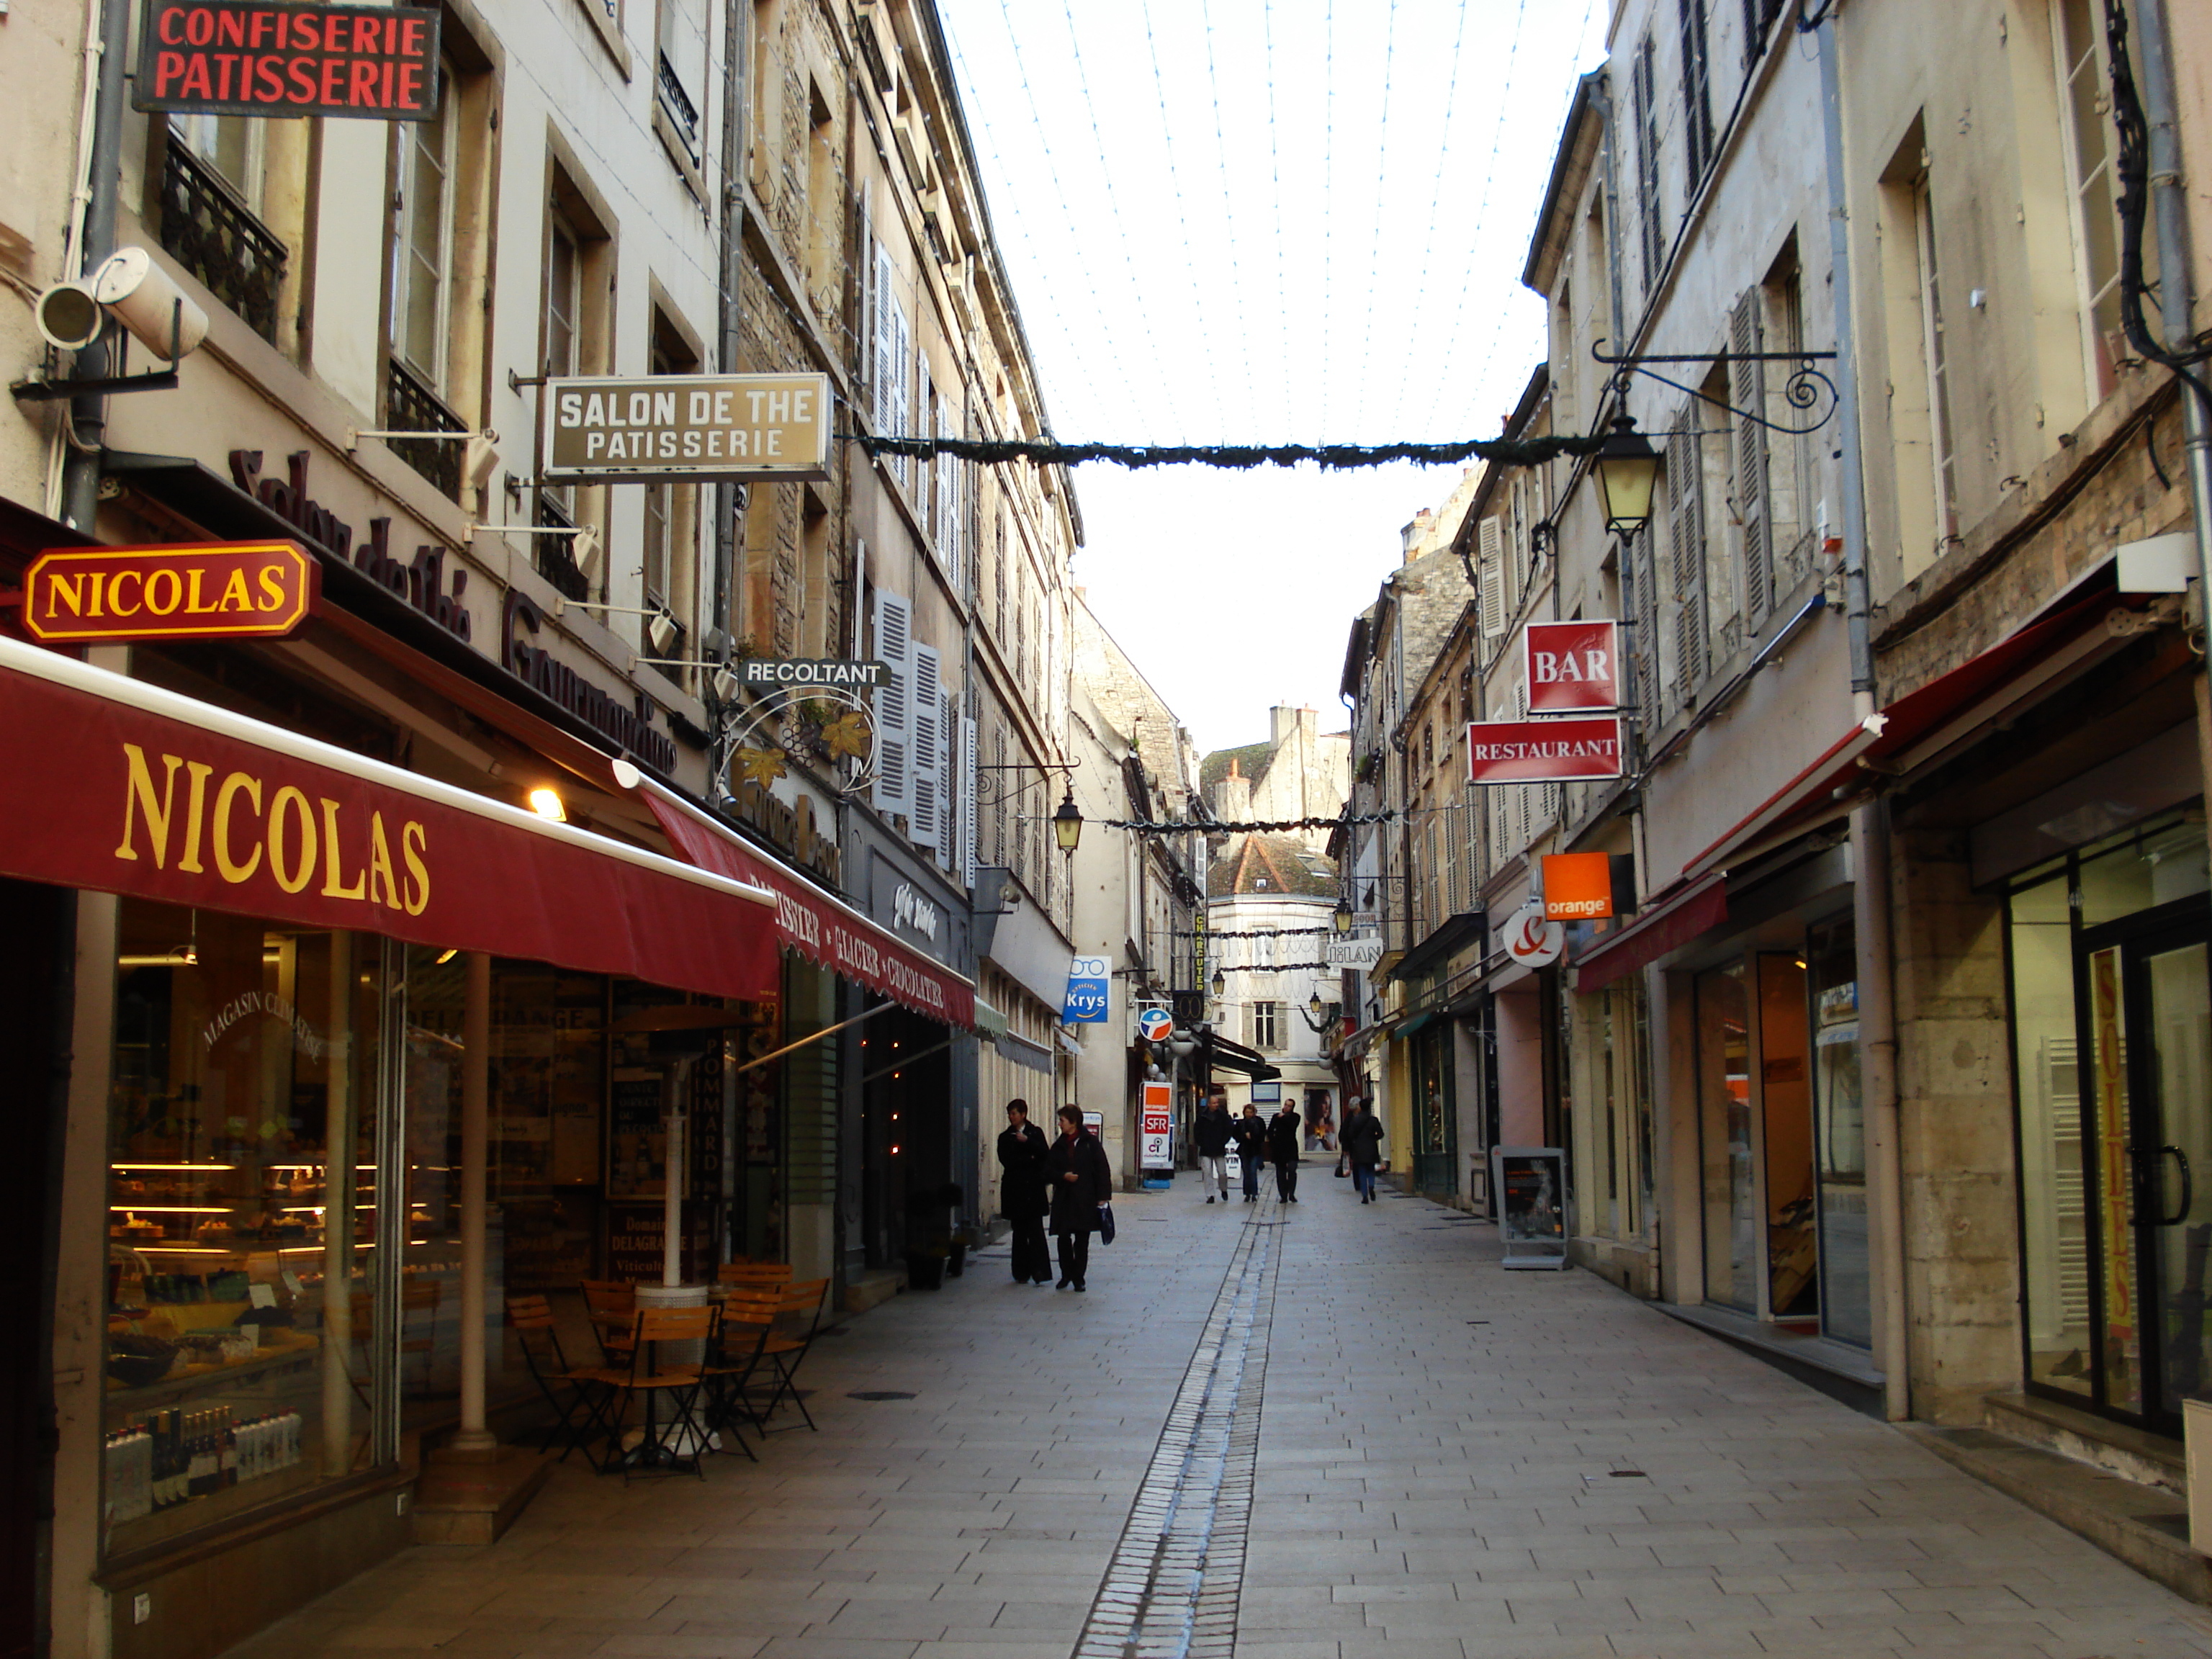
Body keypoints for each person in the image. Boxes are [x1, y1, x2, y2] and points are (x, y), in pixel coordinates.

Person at [1047, 1104, 1113, 1291]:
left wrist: (1102, 1197)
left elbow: (1102, 1169)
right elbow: (1048, 1170)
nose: (1060, 1124)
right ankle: (1066, 1273)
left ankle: (1079, 1277)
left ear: (1073, 1123)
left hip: (1085, 1199)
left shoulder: (1089, 1143)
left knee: (1082, 1240)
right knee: (1063, 1238)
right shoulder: (1059, 1145)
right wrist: (1062, 1176)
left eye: (1062, 1121)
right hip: (1064, 1199)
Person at [996, 1100, 1053, 1283]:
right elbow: (1008, 1160)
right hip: (1015, 1190)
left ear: (1023, 1114)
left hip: (1033, 1190)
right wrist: (1030, 1158)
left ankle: (1040, 1271)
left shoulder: (1035, 1133)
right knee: (1019, 1232)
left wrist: (1028, 1144)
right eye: (1010, 1114)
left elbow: (1044, 1155)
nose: (1011, 1117)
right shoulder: (1005, 1137)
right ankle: (1021, 1272)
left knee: (1036, 1231)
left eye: (1014, 1114)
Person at [1341, 1097, 1385, 1203]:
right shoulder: (1373, 1120)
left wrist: (1355, 1142)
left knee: (1362, 1171)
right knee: (1371, 1169)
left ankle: (1365, 1196)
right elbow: (1381, 1134)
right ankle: (1371, 1186)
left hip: (1358, 1149)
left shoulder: (1355, 1120)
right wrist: (1373, 1139)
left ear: (1360, 1107)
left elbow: (1350, 1134)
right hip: (1371, 1148)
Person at [1195, 1091, 1233, 1202]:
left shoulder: (1223, 1116)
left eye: (1217, 1103)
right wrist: (1201, 1142)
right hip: (1206, 1149)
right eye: (1214, 1103)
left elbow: (1229, 1129)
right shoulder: (1202, 1116)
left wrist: (1223, 1141)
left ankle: (1223, 1189)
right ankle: (1210, 1195)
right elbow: (1197, 1131)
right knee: (1207, 1172)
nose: (1216, 1105)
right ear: (1209, 1104)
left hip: (1219, 1148)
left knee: (1222, 1172)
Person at [1267, 1097, 1303, 1202]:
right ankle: (1283, 1195)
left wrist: (1284, 1117)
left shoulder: (1295, 1117)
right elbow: (1270, 1130)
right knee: (1281, 1173)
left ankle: (1291, 1193)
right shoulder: (1276, 1117)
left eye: (1289, 1106)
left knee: (1292, 1170)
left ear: (1292, 1108)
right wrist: (1273, 1142)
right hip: (1279, 1148)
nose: (1286, 1107)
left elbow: (1292, 1126)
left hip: (1291, 1147)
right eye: (1286, 1105)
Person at [1231, 1102, 1267, 1202]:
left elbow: (1263, 1135)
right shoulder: (1241, 1123)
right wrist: (1244, 1136)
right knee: (1246, 1173)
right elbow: (1235, 1135)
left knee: (1252, 1172)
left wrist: (1254, 1137)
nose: (1249, 1114)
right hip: (1245, 1150)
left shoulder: (1259, 1122)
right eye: (1247, 1112)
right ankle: (1247, 1193)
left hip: (1255, 1150)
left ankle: (1254, 1194)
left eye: (1251, 1112)